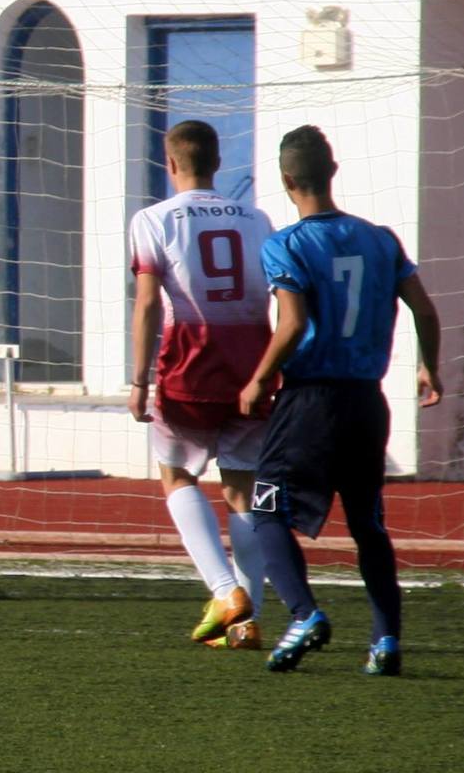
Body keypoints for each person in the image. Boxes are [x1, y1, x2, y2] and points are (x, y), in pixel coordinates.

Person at [240, 125, 442, 675]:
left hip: (310, 400)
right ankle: (386, 641)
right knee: (367, 523)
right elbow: (425, 310)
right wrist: (429, 365)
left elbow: (292, 324)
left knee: (265, 509)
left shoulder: (284, 244)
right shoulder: (381, 239)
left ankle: (303, 614)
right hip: (367, 403)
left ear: (286, 180)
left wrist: (259, 378)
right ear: (332, 172)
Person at [127, 119, 274, 649]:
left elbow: (148, 301)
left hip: (188, 368)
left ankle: (224, 591)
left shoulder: (153, 219)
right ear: (218, 162)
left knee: (176, 476)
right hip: (252, 369)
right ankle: (247, 622)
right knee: (242, 492)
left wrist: (139, 380)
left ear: (170, 164)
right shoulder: (258, 219)